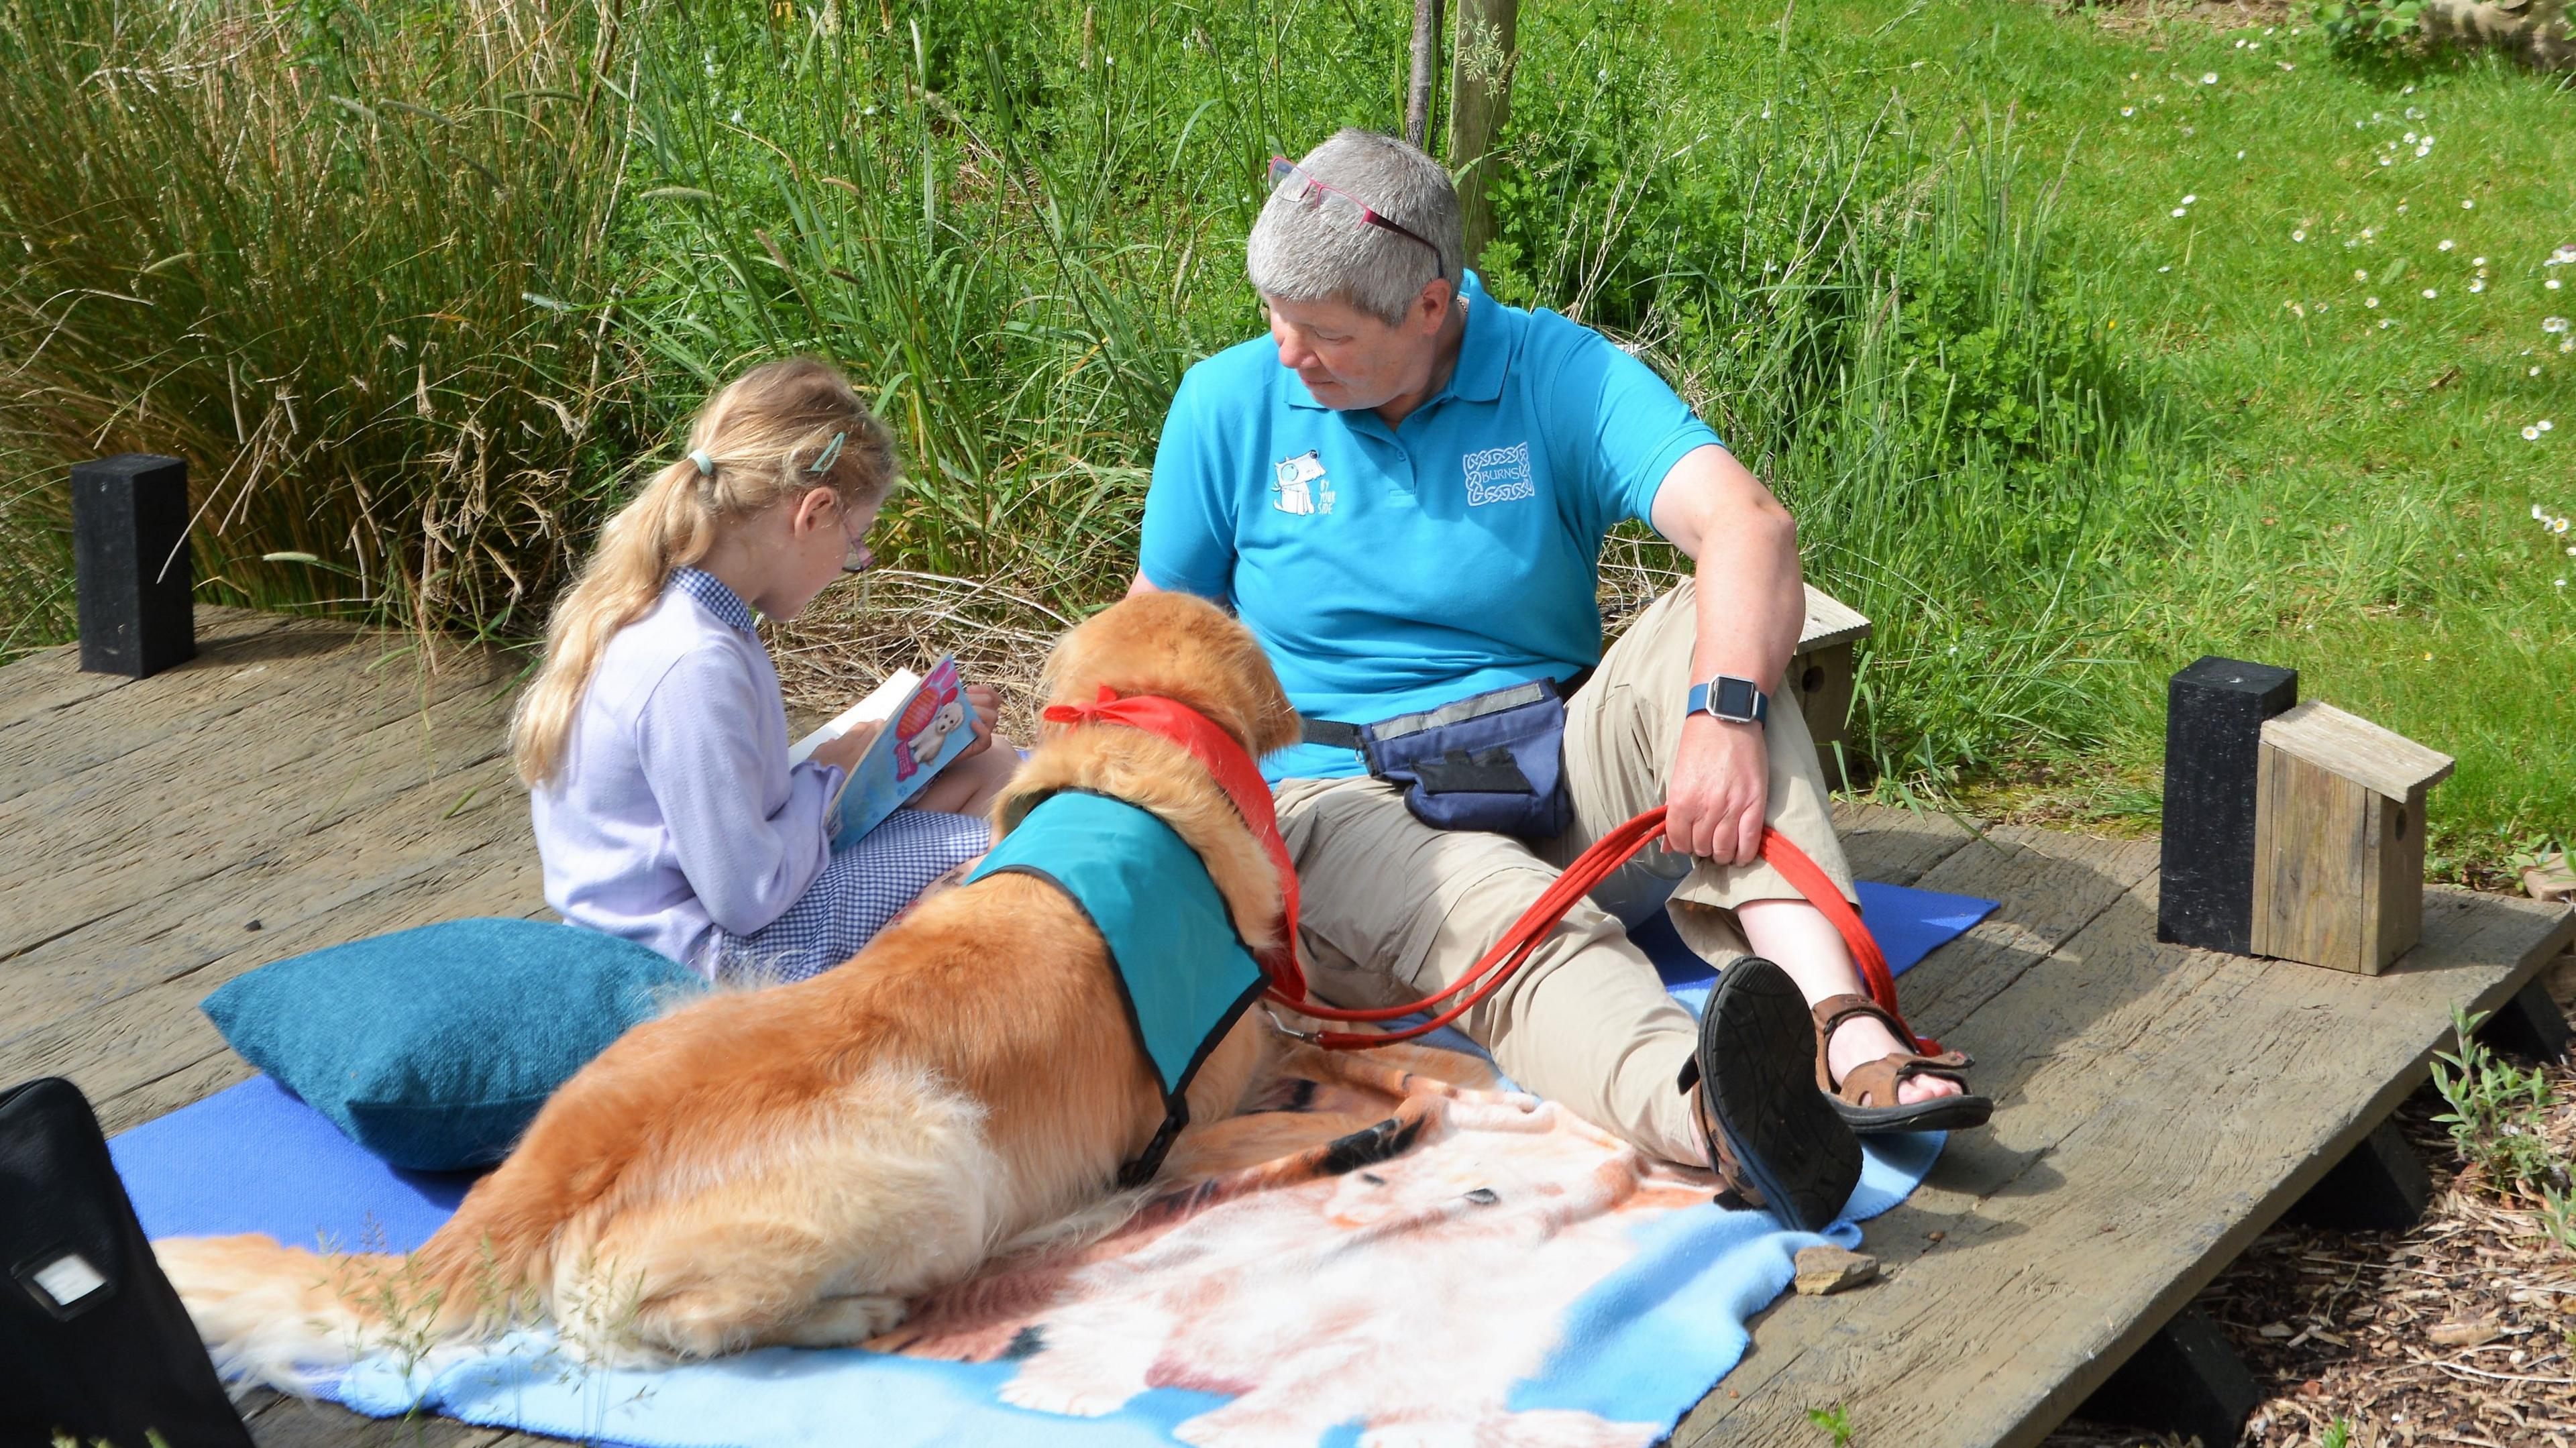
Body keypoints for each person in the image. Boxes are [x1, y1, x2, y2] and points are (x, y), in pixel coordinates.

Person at [1134, 131, 1989, 1231]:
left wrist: (1719, 715)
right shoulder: (1225, 404)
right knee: (1494, 913)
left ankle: (1841, 1022)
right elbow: (1154, 649)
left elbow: (1749, 525)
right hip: (1334, 795)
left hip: (1548, 762)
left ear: (1433, 307)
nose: (1288, 352)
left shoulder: (1556, 371)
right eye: (1276, 318)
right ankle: (1713, 1110)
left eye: (1327, 333)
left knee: (1718, 631)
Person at [511, 357, 1019, 985]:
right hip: (692, 963)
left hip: (702, 919)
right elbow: (748, 894)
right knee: (1026, 839)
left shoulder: (690, 614)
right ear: (814, 512)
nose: (851, 563)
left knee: (1001, 772)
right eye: (856, 542)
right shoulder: (691, 664)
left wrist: (879, 759)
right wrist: (837, 763)